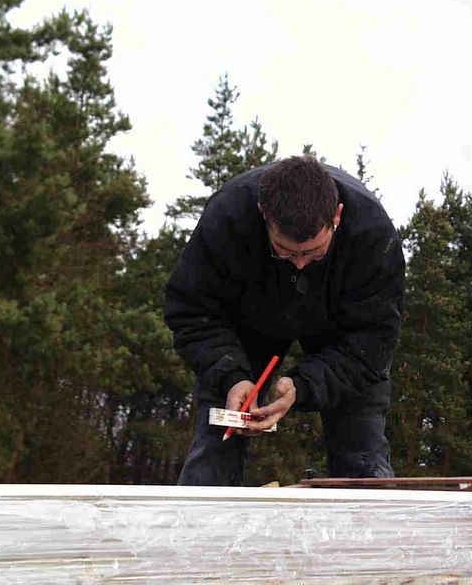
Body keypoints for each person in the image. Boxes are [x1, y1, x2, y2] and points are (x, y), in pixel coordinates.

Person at [165, 155, 405, 486]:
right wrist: (231, 376)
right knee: (216, 442)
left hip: (343, 334)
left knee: (362, 448)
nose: (301, 264)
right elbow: (192, 311)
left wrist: (302, 387)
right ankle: (202, 517)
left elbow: (372, 342)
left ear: (337, 216)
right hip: (245, 325)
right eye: (285, 251)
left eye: (314, 252)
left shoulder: (373, 234)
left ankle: (369, 515)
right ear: (263, 214)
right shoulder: (227, 217)